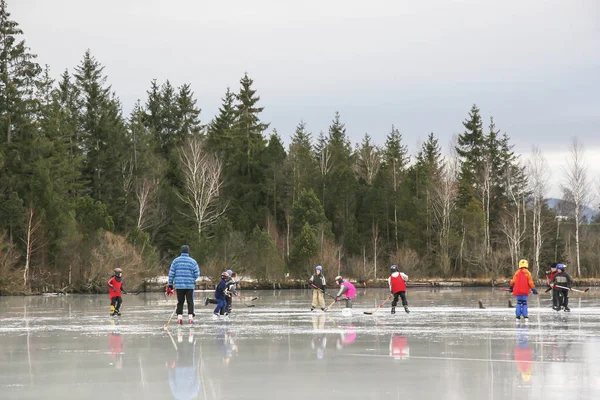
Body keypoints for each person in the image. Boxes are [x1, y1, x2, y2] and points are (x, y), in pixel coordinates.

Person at [167, 245, 200, 325]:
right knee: (190, 301)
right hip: (190, 285)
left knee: (180, 302)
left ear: (181, 251)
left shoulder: (176, 261)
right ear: (188, 251)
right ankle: (190, 318)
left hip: (179, 285)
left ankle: (179, 319)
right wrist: (192, 279)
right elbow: (197, 273)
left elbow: (171, 274)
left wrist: (170, 285)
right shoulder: (193, 261)